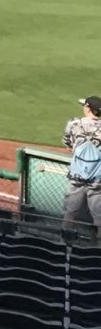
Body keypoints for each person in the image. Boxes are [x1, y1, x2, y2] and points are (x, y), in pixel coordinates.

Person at [63, 96, 101, 242]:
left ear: (88, 108)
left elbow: (67, 143)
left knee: (70, 213)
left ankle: (63, 243)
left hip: (77, 176)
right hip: (98, 178)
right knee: (100, 217)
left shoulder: (74, 123)